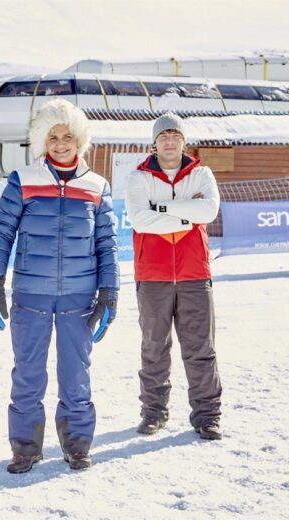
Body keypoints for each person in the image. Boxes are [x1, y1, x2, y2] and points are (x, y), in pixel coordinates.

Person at [0, 98, 119, 473]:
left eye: (68, 136)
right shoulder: (23, 180)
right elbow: (1, 234)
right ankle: (25, 447)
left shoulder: (96, 186)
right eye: (53, 136)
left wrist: (109, 291)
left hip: (79, 297)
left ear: (80, 141)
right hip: (31, 295)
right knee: (28, 374)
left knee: (76, 376)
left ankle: (77, 444)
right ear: (43, 142)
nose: (61, 143)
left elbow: (106, 243)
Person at [125, 113, 222, 441]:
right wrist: (184, 214)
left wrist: (162, 209)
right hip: (152, 275)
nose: (169, 141)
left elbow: (207, 212)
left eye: (175, 135)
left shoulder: (202, 173)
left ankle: (207, 416)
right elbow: (140, 220)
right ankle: (153, 412)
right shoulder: (138, 178)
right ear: (155, 142)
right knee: (154, 347)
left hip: (195, 273)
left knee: (201, 348)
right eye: (163, 135)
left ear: (183, 141)